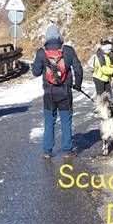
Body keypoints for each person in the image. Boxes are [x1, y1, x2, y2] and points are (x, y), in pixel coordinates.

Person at [32, 25, 83, 160]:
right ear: (60, 37)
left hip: (49, 93)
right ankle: (67, 150)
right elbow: (78, 69)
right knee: (66, 120)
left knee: (49, 121)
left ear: (46, 38)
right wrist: (77, 85)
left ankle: (47, 151)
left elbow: (35, 72)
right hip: (65, 92)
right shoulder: (68, 50)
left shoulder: (41, 52)